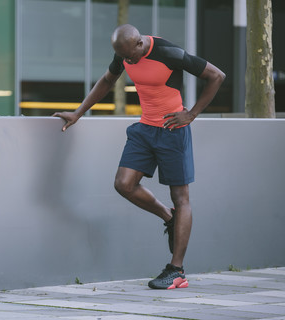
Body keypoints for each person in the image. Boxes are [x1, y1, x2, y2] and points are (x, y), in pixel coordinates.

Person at [53, 24, 225, 289]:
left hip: (172, 130)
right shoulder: (124, 53)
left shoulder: (169, 52)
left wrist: (191, 114)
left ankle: (176, 270)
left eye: (130, 56)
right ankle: (169, 218)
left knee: (181, 198)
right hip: (145, 129)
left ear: (139, 43)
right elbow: (108, 80)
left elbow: (216, 75)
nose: (128, 62)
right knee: (124, 184)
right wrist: (78, 112)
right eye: (123, 57)